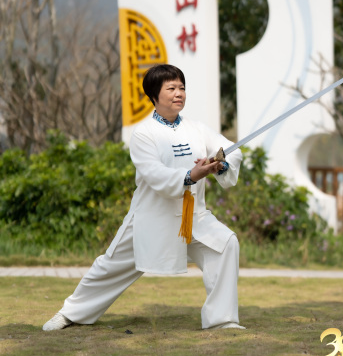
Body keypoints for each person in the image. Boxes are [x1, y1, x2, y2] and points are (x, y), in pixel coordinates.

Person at [43, 64, 244, 331]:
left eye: (182, 88)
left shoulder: (197, 129)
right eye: (171, 88)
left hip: (192, 215)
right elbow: (154, 174)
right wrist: (190, 175)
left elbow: (231, 150)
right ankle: (70, 313)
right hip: (151, 217)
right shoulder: (143, 133)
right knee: (111, 266)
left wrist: (221, 164)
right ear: (154, 95)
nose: (179, 93)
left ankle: (222, 320)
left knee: (226, 243)